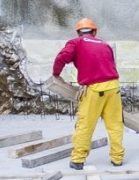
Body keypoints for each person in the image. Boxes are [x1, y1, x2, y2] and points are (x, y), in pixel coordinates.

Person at [52, 18, 124, 169]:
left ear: (78, 32)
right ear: (94, 31)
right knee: (115, 125)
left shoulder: (76, 43)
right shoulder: (105, 44)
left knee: (85, 125)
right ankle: (117, 158)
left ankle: (78, 159)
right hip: (113, 88)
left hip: (94, 89)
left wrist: (56, 74)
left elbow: (61, 58)